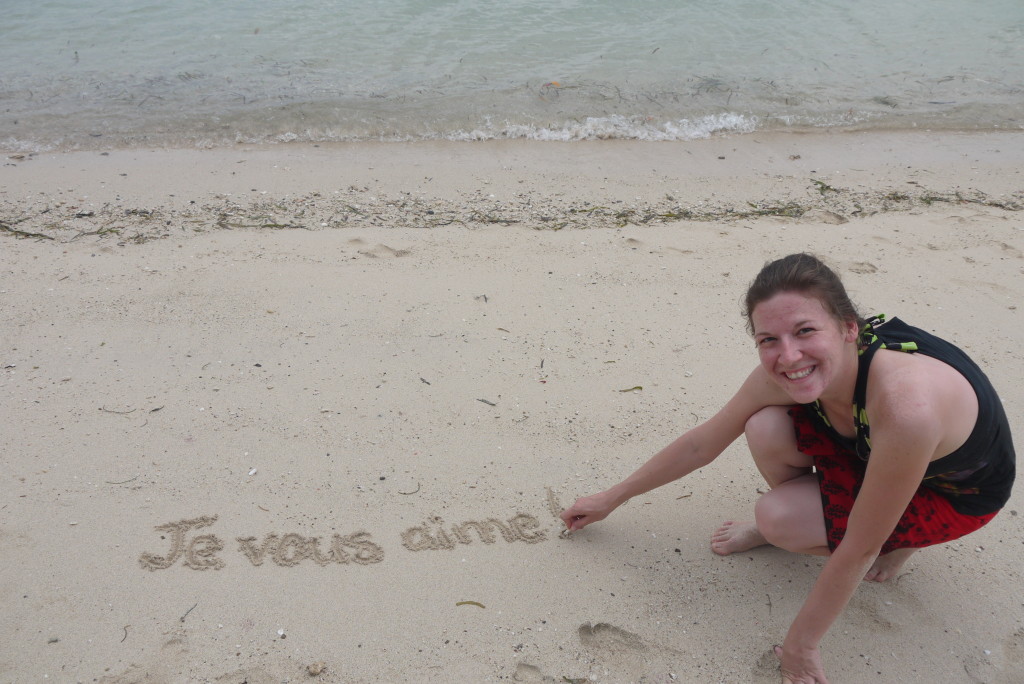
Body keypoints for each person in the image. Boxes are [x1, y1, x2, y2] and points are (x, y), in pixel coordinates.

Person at [559, 253, 1015, 684]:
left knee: (780, 519)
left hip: (952, 495)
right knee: (763, 425)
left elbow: (859, 546)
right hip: (872, 450)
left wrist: (801, 646)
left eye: (805, 331)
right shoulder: (790, 372)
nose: (789, 356)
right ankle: (817, 515)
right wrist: (609, 498)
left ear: (848, 327)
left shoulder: (905, 405)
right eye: (769, 340)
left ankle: (901, 543)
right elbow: (702, 444)